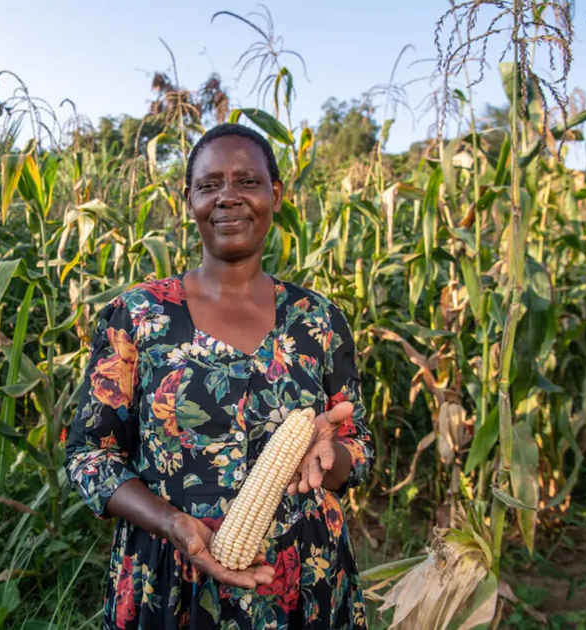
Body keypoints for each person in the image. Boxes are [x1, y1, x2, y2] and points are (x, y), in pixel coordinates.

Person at [65, 123, 375, 629]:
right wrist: (172, 523)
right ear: (188, 200)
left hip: (304, 579)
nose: (228, 197)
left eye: (247, 182)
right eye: (209, 185)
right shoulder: (139, 316)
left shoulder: (318, 320)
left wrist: (330, 453)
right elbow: (89, 455)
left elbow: (357, 448)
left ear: (276, 195)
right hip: (171, 578)